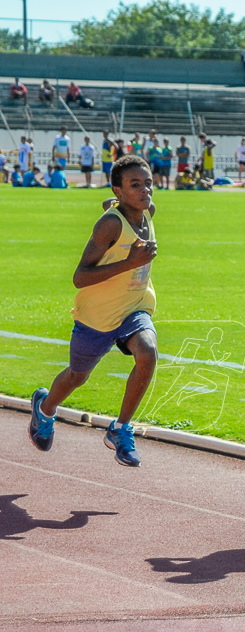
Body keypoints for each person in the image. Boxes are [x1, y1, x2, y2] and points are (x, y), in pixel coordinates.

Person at [28, 156, 159, 467]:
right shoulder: (110, 225)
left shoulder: (147, 211)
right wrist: (130, 262)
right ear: (119, 188)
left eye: (148, 184)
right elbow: (80, 277)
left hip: (135, 307)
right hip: (97, 316)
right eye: (135, 185)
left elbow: (115, 203)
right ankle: (44, 409)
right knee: (77, 377)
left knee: (148, 352)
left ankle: (120, 428)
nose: (146, 191)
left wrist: (114, 201)